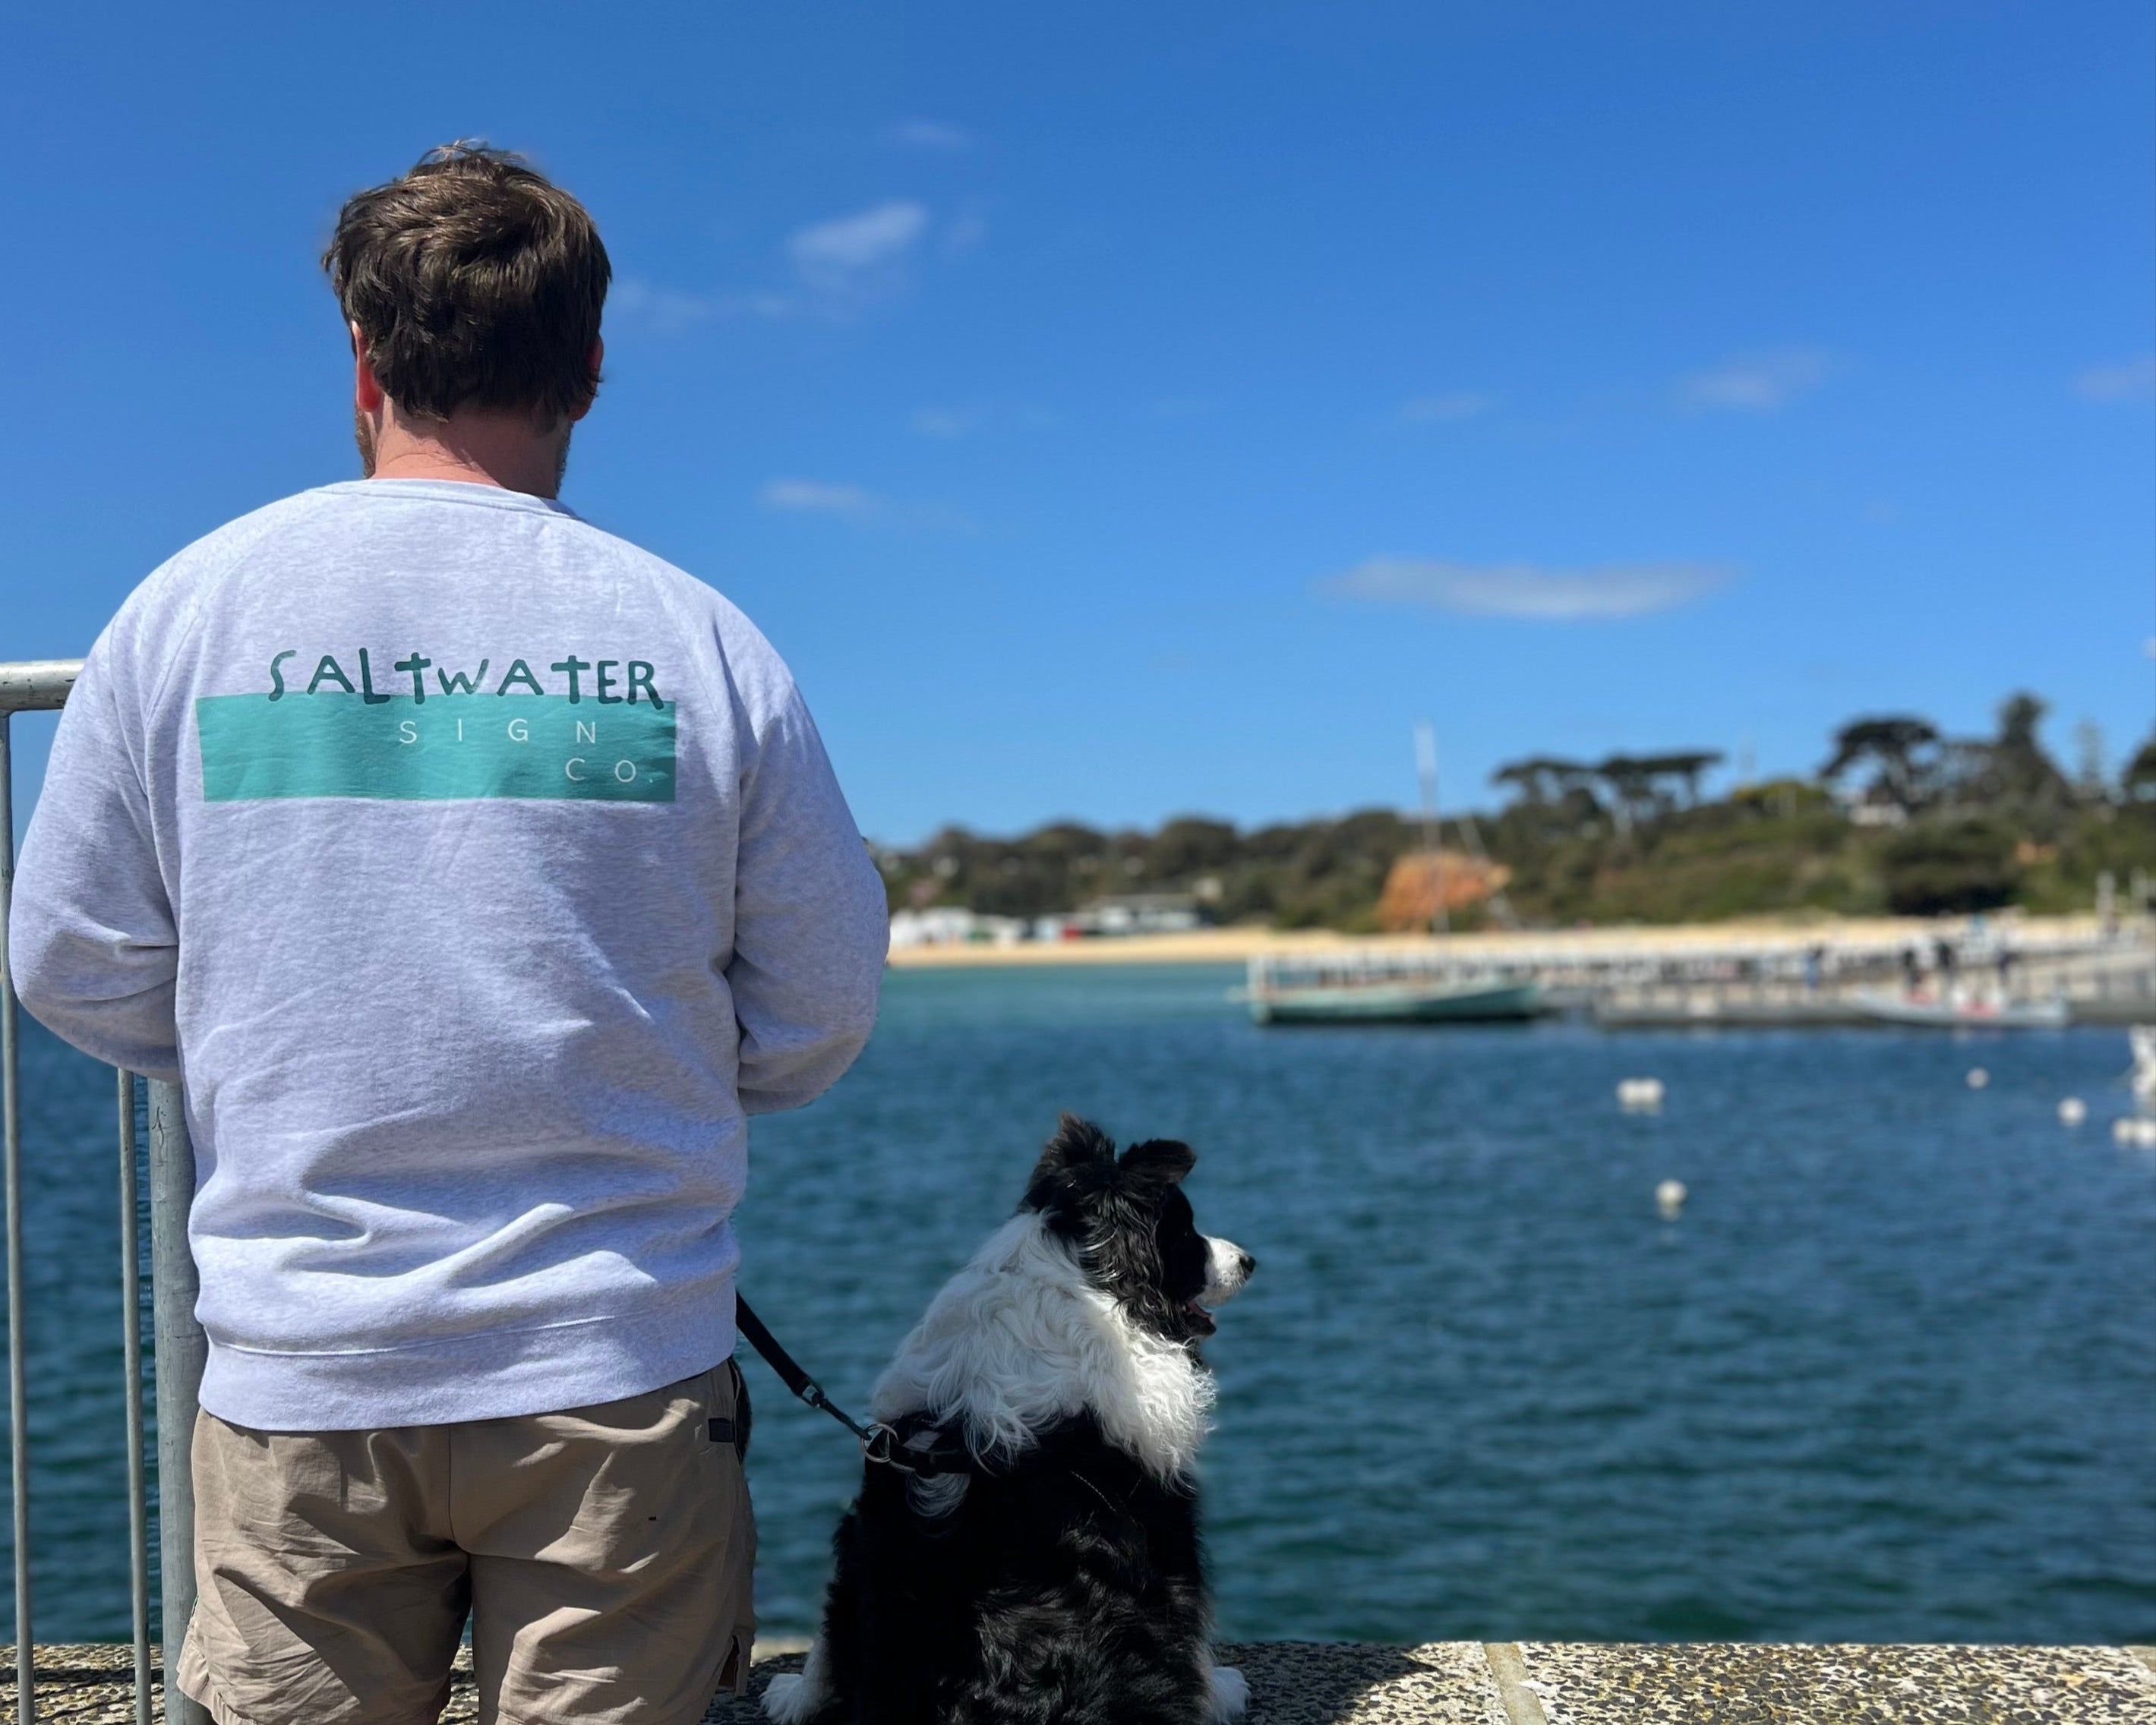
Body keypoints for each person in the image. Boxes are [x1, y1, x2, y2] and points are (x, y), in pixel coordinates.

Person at [8, 143, 889, 1725]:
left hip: (301, 1372)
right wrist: (633, 1064)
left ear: (359, 355)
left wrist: (270, 1035)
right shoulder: (698, 638)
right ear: (591, 367)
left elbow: (70, 957)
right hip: (616, 1362)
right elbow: (819, 1003)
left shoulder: (186, 611)